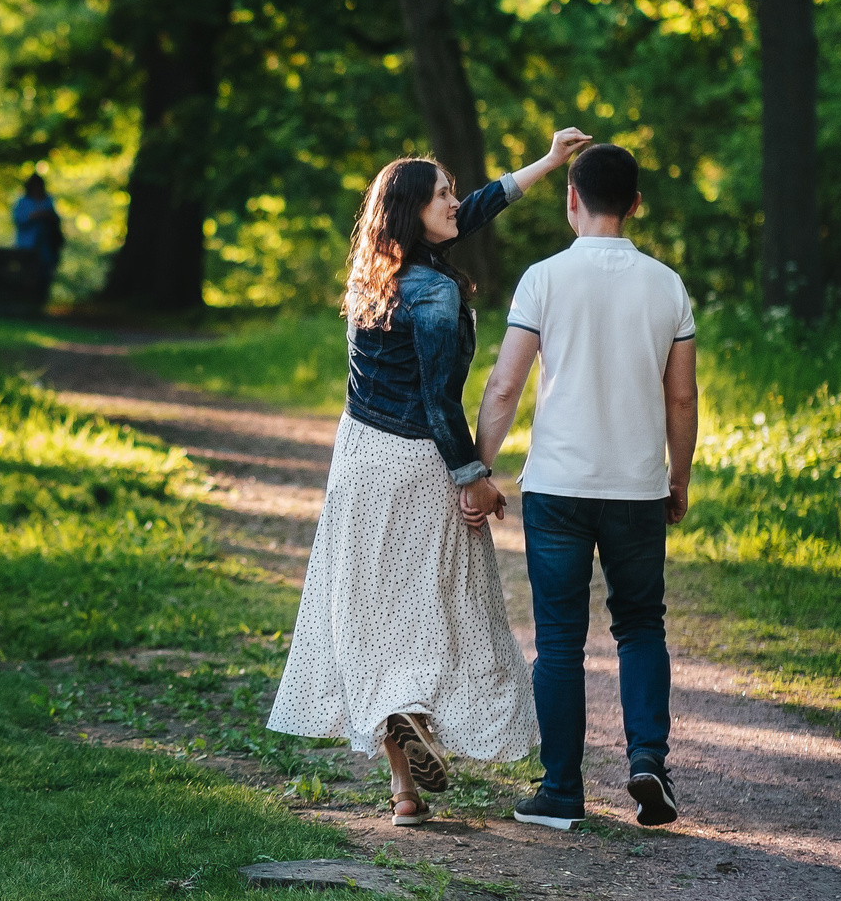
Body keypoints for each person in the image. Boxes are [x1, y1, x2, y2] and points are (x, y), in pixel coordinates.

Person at [267, 127, 593, 824]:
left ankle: (403, 792)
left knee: (375, 619)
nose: (456, 201)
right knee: (436, 611)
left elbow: (475, 209)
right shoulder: (437, 298)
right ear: (414, 211)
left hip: (357, 460)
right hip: (419, 461)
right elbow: (442, 399)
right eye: (442, 194)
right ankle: (416, 729)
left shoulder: (372, 280)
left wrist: (544, 163)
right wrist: (473, 475)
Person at [472, 143, 697, 831]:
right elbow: (682, 397)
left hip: (558, 489)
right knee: (640, 625)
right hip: (636, 487)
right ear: (634, 203)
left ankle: (561, 791)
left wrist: (477, 468)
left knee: (561, 639)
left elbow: (506, 383)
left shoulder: (543, 278)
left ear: (571, 197)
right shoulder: (667, 285)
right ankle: (647, 761)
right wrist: (677, 477)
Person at [12, 174, 65, 285]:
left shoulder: (48, 200)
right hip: (27, 245)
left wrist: (48, 215)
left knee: (45, 273)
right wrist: (36, 215)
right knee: (28, 273)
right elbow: (19, 220)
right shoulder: (23, 202)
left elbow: (56, 219)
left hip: (47, 245)